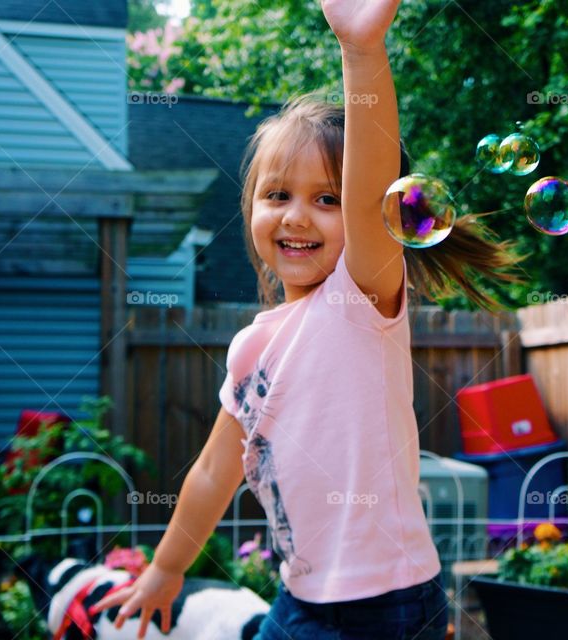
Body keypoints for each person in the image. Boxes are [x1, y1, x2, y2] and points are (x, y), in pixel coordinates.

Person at [90, 1, 521, 638]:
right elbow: (214, 472)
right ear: (250, 207)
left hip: (386, 608)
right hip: (302, 598)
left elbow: (374, 183)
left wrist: (361, 49)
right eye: (277, 195)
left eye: (326, 200)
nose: (296, 216)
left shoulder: (361, 297)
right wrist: (165, 568)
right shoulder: (250, 349)